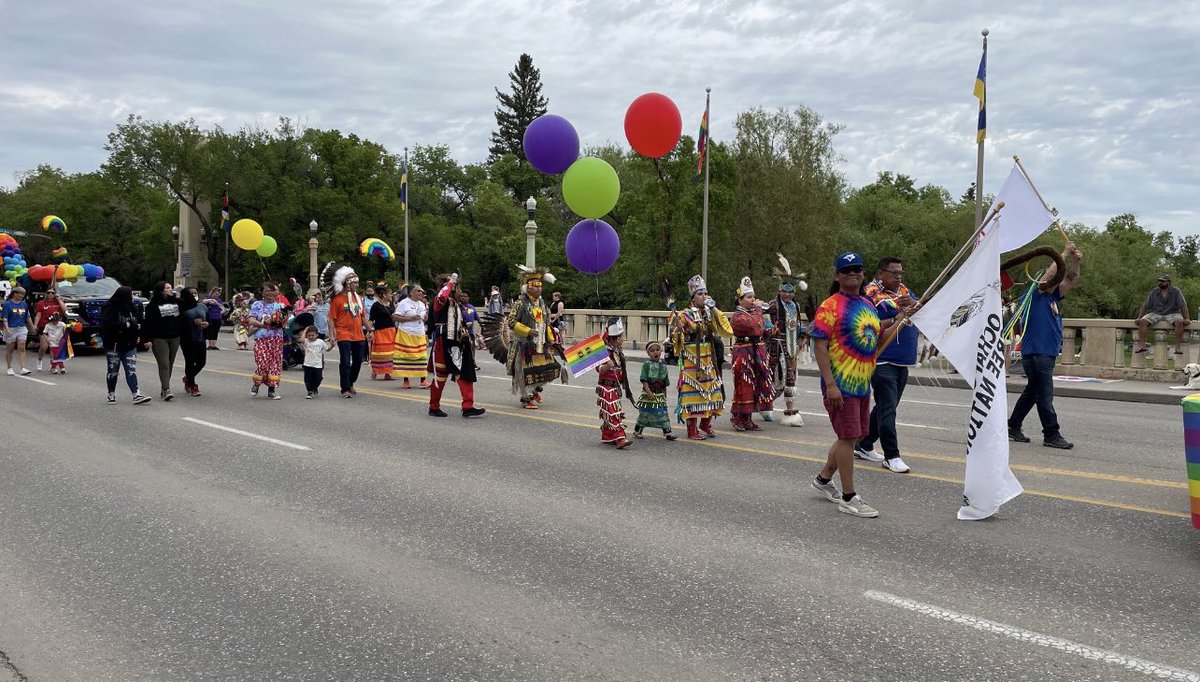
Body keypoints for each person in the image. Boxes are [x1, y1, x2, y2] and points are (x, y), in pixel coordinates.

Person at [810, 252, 882, 518]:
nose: (853, 273)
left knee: (854, 435)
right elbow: (819, 345)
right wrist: (830, 384)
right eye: (847, 270)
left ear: (863, 274)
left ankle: (823, 478)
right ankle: (849, 497)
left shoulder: (867, 303)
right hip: (841, 384)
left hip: (863, 383)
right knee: (847, 437)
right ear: (838, 275)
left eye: (858, 269)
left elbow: (877, 331)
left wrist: (902, 318)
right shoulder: (830, 306)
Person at [1008, 241, 1083, 449]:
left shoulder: (1053, 298)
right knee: (1044, 395)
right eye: (1052, 278)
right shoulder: (1034, 295)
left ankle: (1013, 426)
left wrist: (1076, 263)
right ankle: (1051, 433)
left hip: (1044, 354)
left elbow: (1071, 279)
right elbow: (1049, 276)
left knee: (1032, 392)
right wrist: (1064, 254)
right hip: (1036, 354)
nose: (1055, 281)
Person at [854, 257, 919, 474]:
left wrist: (914, 306)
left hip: (903, 360)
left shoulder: (904, 292)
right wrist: (898, 316)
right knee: (888, 409)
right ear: (881, 273)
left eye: (901, 272)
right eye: (893, 272)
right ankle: (892, 455)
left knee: (885, 407)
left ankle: (863, 444)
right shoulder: (870, 295)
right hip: (882, 359)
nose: (898, 276)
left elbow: (920, 310)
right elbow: (867, 326)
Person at [670, 275, 733, 440]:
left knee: (713, 391)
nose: (704, 296)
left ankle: (706, 423)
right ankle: (692, 429)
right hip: (692, 357)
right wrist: (678, 329)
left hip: (708, 356)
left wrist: (713, 309)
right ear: (692, 298)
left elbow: (725, 328)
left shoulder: (709, 313)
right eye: (700, 294)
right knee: (693, 392)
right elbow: (675, 339)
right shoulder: (683, 314)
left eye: (706, 293)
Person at [427, 274, 485, 418]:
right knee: (441, 375)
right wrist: (450, 283)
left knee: (465, 374)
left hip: (460, 342)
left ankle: (468, 407)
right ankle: (434, 407)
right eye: (456, 287)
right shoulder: (440, 300)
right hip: (444, 342)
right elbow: (441, 297)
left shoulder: (457, 304)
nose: (460, 291)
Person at [505, 267, 564, 409]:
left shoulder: (542, 304)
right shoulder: (520, 304)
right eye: (535, 286)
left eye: (540, 286)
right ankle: (526, 398)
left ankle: (536, 389)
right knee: (524, 371)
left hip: (540, 343)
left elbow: (546, 323)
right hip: (523, 343)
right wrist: (528, 331)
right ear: (527, 288)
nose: (538, 289)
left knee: (548, 368)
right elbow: (511, 321)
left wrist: (551, 339)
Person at [766, 254, 809, 427]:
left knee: (790, 378)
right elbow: (762, 318)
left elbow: (795, 325)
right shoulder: (774, 304)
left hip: (791, 348)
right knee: (776, 379)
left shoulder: (796, 306)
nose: (787, 295)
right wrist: (769, 328)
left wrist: (802, 334)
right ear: (779, 291)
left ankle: (789, 411)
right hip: (777, 346)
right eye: (784, 291)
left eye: (790, 292)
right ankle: (766, 404)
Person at [728, 276, 774, 432]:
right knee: (744, 385)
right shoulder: (737, 316)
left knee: (756, 385)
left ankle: (748, 419)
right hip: (744, 352)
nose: (753, 299)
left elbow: (761, 330)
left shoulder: (756, 313)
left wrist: (771, 330)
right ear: (740, 300)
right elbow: (752, 325)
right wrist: (759, 310)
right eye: (749, 297)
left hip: (757, 352)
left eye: (753, 296)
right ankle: (737, 416)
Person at [99, 285, 151, 405]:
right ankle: (111, 394)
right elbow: (106, 324)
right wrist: (124, 325)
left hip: (129, 344)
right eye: (130, 295)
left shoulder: (131, 307)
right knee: (113, 371)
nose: (131, 297)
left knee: (131, 369)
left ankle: (136, 394)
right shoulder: (109, 307)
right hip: (114, 345)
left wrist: (138, 331)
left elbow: (138, 322)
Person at [327, 266, 371, 398]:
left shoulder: (358, 298)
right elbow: (331, 319)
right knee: (345, 362)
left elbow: (363, 316)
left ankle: (350, 382)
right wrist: (332, 335)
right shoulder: (337, 299)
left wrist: (370, 330)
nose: (357, 285)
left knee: (358, 361)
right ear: (347, 283)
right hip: (343, 333)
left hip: (358, 334)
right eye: (355, 283)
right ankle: (345, 388)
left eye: (357, 283)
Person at [139, 281, 183, 401]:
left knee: (170, 363)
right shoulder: (153, 305)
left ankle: (164, 387)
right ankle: (166, 389)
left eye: (171, 288)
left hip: (175, 336)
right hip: (159, 338)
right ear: (161, 290)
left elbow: (190, 304)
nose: (171, 290)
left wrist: (180, 294)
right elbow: (147, 323)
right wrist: (146, 339)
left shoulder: (176, 302)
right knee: (164, 363)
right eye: (168, 288)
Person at [595, 317, 633, 448]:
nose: (622, 339)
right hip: (606, 386)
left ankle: (607, 436)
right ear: (614, 339)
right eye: (620, 337)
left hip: (615, 386)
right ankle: (619, 438)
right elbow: (598, 369)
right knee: (612, 411)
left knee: (611, 410)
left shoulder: (617, 351)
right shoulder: (603, 351)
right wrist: (607, 366)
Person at [246, 283, 287, 399]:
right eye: (268, 291)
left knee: (275, 364)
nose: (271, 293)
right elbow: (251, 320)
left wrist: (280, 322)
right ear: (262, 293)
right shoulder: (257, 304)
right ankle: (256, 383)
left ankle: (272, 390)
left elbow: (282, 322)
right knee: (262, 362)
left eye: (273, 291)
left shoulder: (279, 306)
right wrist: (264, 324)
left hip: (276, 338)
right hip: (261, 338)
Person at [1134, 274, 1189, 358]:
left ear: (1169, 282)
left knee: (1179, 321)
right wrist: (1139, 317)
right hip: (1156, 312)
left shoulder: (1176, 291)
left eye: (1163, 281)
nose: (1160, 283)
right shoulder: (1155, 291)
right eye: (1159, 281)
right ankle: (1142, 346)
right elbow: (1145, 305)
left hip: (1172, 313)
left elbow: (1183, 306)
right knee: (1143, 321)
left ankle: (1178, 347)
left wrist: (1187, 318)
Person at [634, 340, 676, 440]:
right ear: (648, 353)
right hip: (648, 393)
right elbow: (643, 380)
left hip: (660, 394)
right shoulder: (647, 365)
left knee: (663, 413)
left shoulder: (664, 366)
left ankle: (667, 433)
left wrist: (664, 397)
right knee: (645, 413)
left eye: (658, 350)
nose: (655, 352)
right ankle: (637, 431)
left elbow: (665, 383)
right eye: (652, 351)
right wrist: (648, 392)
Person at [393, 284, 430, 389]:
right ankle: (406, 380)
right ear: (411, 292)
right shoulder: (403, 303)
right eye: (418, 291)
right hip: (406, 333)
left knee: (421, 357)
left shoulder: (422, 304)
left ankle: (423, 380)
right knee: (406, 356)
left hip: (419, 333)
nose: (421, 293)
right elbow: (395, 317)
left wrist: (425, 318)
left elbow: (424, 318)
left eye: (422, 291)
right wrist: (411, 318)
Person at [178, 287, 209, 396]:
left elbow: (208, 320)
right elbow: (178, 322)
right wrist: (191, 322)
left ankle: (188, 378)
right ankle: (192, 385)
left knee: (201, 362)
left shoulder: (202, 306)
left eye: (196, 293)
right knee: (190, 362)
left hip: (200, 338)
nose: (194, 295)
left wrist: (206, 324)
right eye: (191, 293)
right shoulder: (182, 307)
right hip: (187, 338)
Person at [368, 285, 397, 380]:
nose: (391, 295)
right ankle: (375, 370)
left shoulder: (392, 304)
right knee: (380, 353)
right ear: (384, 295)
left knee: (390, 353)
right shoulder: (376, 305)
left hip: (391, 331)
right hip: (380, 331)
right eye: (390, 294)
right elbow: (371, 320)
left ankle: (388, 373)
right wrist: (370, 331)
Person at [33, 289, 65, 371]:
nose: (50, 294)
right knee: (44, 346)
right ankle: (39, 360)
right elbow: (38, 315)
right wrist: (35, 325)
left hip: (56, 327)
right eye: (48, 292)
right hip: (44, 326)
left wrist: (59, 299)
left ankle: (53, 364)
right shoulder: (41, 303)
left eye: (52, 293)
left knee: (53, 347)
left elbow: (65, 310)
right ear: (46, 294)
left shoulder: (58, 302)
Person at [3, 287, 33, 375]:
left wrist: (32, 326)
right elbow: (5, 318)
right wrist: (7, 329)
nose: (22, 296)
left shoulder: (24, 304)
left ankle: (23, 368)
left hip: (21, 328)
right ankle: (9, 368)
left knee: (22, 346)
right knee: (10, 349)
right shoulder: (7, 304)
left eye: (23, 294)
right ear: (15, 294)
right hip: (11, 328)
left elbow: (28, 316)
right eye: (20, 294)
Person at [301, 325, 329, 398]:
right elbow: (301, 340)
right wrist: (305, 330)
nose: (311, 337)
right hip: (307, 364)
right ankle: (310, 391)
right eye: (309, 335)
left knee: (318, 378)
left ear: (317, 335)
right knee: (307, 379)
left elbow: (327, 349)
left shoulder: (320, 342)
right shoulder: (306, 341)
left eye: (313, 335)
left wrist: (332, 345)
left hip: (317, 364)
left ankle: (315, 387)